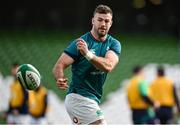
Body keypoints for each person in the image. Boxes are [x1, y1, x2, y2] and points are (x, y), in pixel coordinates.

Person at [53, 4, 121, 125]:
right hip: (78, 97)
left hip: (92, 99)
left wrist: (87, 54)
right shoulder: (80, 43)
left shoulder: (113, 43)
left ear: (111, 23)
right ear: (93, 21)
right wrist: (60, 77)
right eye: (99, 20)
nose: (103, 24)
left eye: (107, 21)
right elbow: (59, 65)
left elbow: (108, 66)